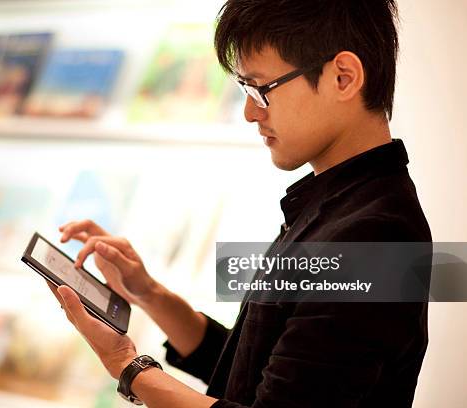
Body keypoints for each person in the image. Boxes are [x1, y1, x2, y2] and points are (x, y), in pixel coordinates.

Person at [48, 0, 432, 406]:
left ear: (343, 78)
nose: (251, 112)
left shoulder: (374, 237)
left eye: (261, 89)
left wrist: (125, 364)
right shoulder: (335, 205)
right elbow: (255, 366)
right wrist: (148, 294)